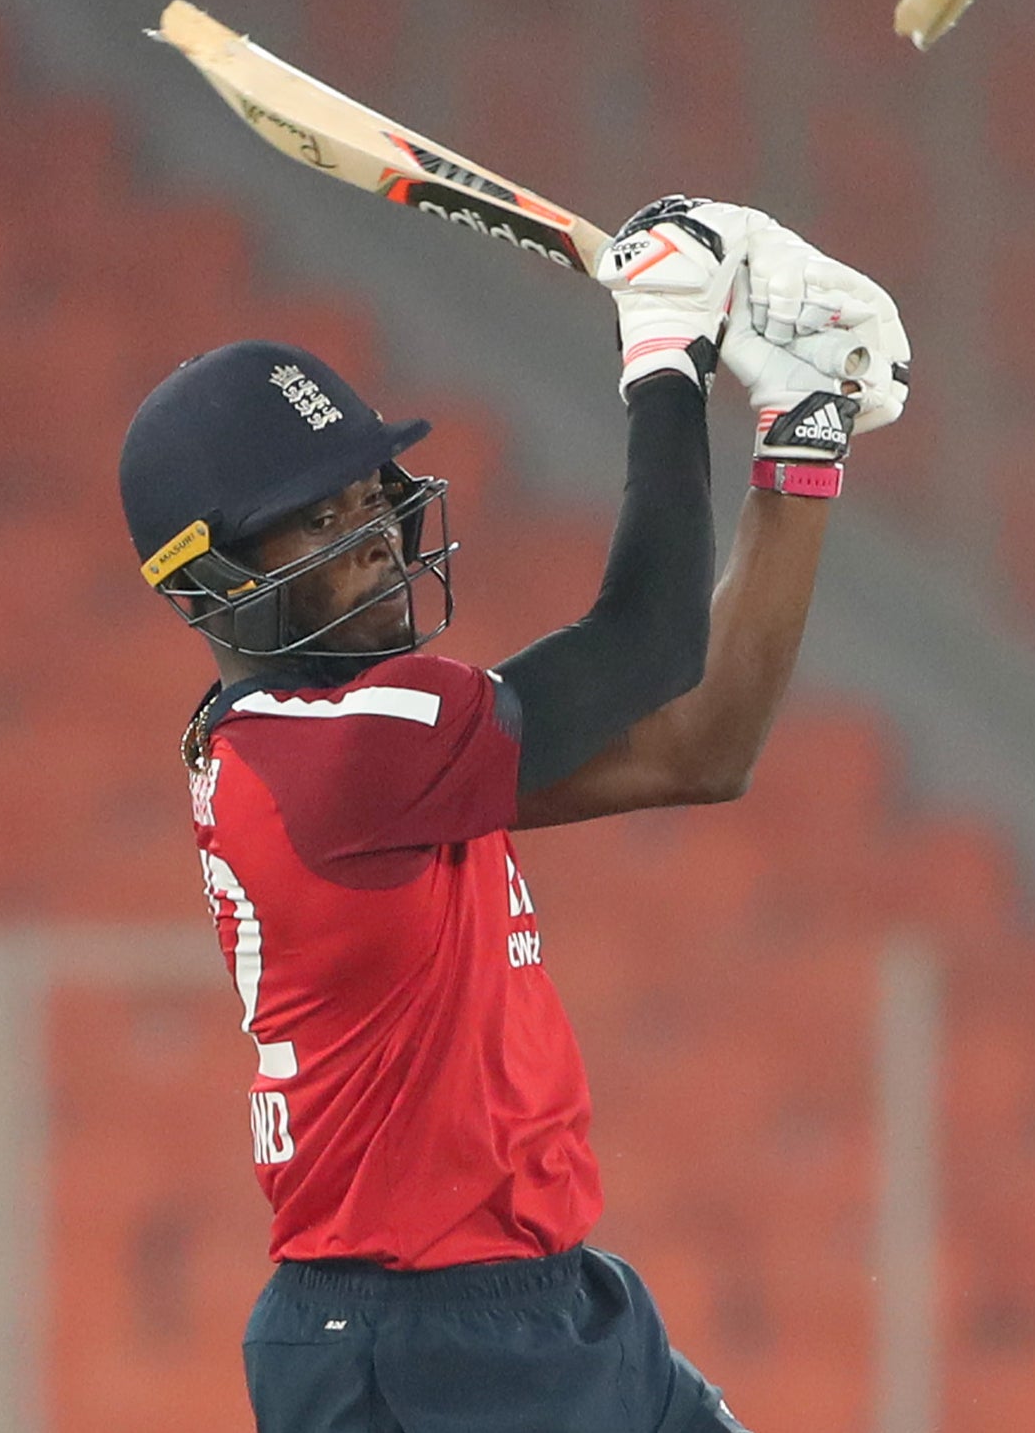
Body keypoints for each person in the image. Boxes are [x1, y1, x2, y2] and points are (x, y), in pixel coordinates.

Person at [116, 196, 911, 1433]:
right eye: (317, 522)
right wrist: (661, 360)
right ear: (220, 583)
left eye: (367, 499)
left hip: (544, 1306)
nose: (373, 536)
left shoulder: (363, 748)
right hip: (419, 1346)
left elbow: (703, 750)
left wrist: (800, 437)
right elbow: (647, 643)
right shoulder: (343, 758)